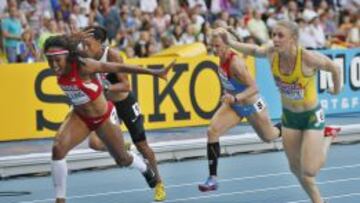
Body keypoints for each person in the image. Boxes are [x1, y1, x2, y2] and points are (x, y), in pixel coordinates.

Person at [216, 20, 342, 203]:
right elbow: (253, 50)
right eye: (273, 34)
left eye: (280, 35)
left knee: (309, 170)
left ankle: (328, 136)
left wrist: (336, 90)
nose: (275, 39)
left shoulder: (307, 58)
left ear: (293, 39)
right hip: (290, 118)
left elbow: (335, 68)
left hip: (311, 117)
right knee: (295, 169)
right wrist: (231, 43)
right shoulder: (271, 53)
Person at [43, 35, 173, 203]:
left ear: (67, 56)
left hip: (103, 117)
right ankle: (60, 199)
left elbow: (119, 67)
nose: (54, 65)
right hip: (80, 116)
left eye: (57, 60)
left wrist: (153, 72)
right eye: (50, 60)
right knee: (58, 149)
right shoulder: (58, 68)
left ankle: (144, 167)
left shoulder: (84, 66)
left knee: (123, 160)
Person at [80, 26, 166, 201]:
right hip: (107, 105)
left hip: (125, 102)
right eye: (83, 44)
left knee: (142, 146)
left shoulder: (113, 56)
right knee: (94, 143)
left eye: (88, 44)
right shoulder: (86, 55)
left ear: (99, 42)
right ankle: (124, 147)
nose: (85, 48)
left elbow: (126, 86)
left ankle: (158, 183)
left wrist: (106, 87)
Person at [198, 32, 282, 192]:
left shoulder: (236, 63)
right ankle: (212, 179)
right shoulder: (221, 58)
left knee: (269, 136)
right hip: (234, 106)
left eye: (218, 46)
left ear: (227, 45)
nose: (215, 50)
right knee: (212, 131)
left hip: (252, 106)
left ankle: (292, 123)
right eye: (213, 46)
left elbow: (255, 87)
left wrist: (236, 98)